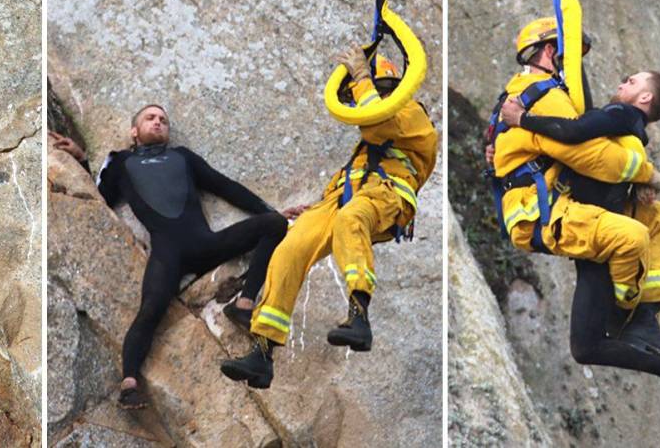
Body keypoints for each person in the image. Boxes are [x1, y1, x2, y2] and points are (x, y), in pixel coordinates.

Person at [488, 19, 660, 428]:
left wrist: (642, 172)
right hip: (555, 213)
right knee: (637, 237)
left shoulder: (544, 99)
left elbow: (594, 152)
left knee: (644, 233)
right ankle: (643, 331)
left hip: (581, 216)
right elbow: (587, 151)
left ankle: (641, 327)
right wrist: (645, 173)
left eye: (630, 80)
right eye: (571, 55)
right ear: (553, 53)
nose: (579, 68)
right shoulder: (543, 98)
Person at [220, 47, 438, 390]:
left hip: (386, 195)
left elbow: (377, 125)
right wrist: (318, 206)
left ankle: (359, 316)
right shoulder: (367, 145)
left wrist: (362, 77)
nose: (361, 98)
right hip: (344, 196)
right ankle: (262, 352)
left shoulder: (413, 115)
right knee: (291, 248)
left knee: (350, 220)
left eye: (371, 89)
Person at [95, 104, 294, 409]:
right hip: (167, 255)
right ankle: (130, 384)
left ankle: (243, 304)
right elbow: (100, 198)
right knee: (150, 310)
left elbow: (225, 186)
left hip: (207, 245)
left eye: (163, 119)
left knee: (275, 225)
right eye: (150, 118)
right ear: (134, 131)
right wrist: (79, 159)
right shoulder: (121, 162)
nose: (158, 122)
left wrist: (270, 210)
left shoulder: (182, 157)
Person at [499, 70, 660, 361]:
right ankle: (642, 319)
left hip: (583, 218)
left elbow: (573, 132)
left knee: (631, 238)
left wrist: (521, 119)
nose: (621, 83)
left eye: (631, 82)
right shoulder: (633, 133)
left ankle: (624, 312)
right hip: (596, 216)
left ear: (645, 97)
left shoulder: (622, 114)